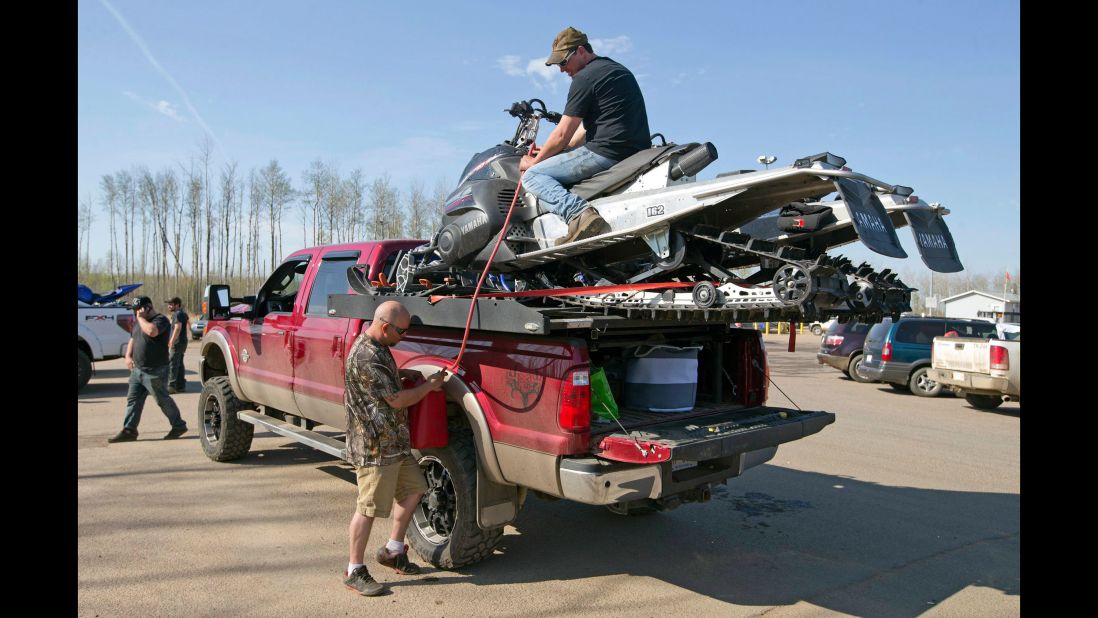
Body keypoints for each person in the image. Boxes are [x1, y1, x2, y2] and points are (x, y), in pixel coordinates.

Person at [342, 300, 446, 597]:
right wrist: (427, 387)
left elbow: (386, 388)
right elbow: (396, 400)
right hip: (375, 447)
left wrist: (405, 378)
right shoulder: (366, 356)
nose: (404, 337)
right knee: (369, 508)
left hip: (395, 443)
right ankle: (354, 569)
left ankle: (393, 550)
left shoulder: (380, 346)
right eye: (401, 332)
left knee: (415, 488)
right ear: (385, 327)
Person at [519, 26, 651, 246]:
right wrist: (545, 150)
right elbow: (576, 137)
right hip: (633, 150)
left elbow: (562, 133)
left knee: (532, 177)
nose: (562, 70)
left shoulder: (585, 78)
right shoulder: (616, 70)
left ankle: (579, 215)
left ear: (581, 51)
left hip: (607, 151)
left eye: (563, 62)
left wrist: (533, 162)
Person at [108, 296, 189, 443]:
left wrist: (140, 318)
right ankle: (129, 430)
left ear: (148, 307)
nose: (136, 313)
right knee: (133, 400)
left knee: (162, 400)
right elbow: (133, 338)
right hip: (137, 370)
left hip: (155, 371)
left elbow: (152, 332)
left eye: (138, 309)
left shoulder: (160, 320)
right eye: (134, 311)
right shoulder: (139, 322)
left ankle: (178, 425)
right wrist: (127, 356)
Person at [164, 297, 189, 393]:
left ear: (177, 305)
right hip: (183, 341)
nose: (169, 306)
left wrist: (172, 340)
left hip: (177, 342)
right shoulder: (183, 313)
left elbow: (178, 327)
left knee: (173, 363)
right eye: (168, 304)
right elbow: (188, 323)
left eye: (171, 304)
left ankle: (171, 386)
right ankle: (180, 385)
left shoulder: (177, 314)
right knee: (179, 363)